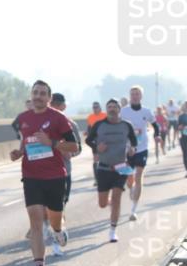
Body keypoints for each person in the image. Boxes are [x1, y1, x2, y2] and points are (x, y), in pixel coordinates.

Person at [9, 80, 79, 266]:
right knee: (36, 221)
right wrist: (19, 153)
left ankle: (58, 231)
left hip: (55, 176)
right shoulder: (23, 118)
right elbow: (26, 141)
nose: (38, 96)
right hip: (31, 176)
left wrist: (53, 143)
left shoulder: (58, 119)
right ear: (31, 96)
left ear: (49, 98)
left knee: (54, 219)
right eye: (35, 93)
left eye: (42, 94)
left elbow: (74, 145)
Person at [85, 98, 137, 242]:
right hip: (103, 168)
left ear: (119, 109)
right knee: (103, 204)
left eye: (115, 106)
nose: (112, 109)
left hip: (120, 167)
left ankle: (113, 231)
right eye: (110, 107)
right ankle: (109, 205)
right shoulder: (99, 124)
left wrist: (132, 149)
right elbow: (88, 140)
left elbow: (134, 141)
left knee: (117, 198)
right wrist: (97, 148)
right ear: (106, 109)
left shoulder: (127, 125)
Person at [46, 93, 81, 256]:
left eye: (58, 104)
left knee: (58, 207)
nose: (54, 107)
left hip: (62, 172)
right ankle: (54, 233)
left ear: (64, 107)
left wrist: (69, 153)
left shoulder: (70, 124)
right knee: (45, 209)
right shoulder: (41, 124)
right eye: (52, 103)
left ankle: (57, 240)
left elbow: (78, 148)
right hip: (42, 172)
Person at [119, 86, 162, 221]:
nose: (135, 96)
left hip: (142, 148)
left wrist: (157, 135)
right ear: (130, 96)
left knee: (138, 176)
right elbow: (117, 126)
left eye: (137, 94)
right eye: (132, 94)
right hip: (127, 149)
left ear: (141, 96)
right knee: (129, 179)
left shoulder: (146, 111)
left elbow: (155, 125)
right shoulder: (123, 111)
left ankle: (133, 210)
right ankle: (131, 189)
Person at [178, 102, 187, 177]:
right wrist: (182, 127)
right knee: (185, 154)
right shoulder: (181, 116)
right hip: (184, 137)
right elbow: (178, 127)